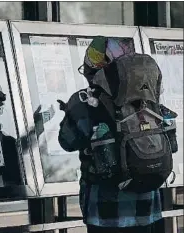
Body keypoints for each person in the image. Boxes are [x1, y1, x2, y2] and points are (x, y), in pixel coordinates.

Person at [58, 37, 163, 233]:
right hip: (147, 207)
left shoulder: (84, 100)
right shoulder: (147, 99)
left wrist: (69, 115)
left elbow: (67, 141)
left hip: (105, 210)